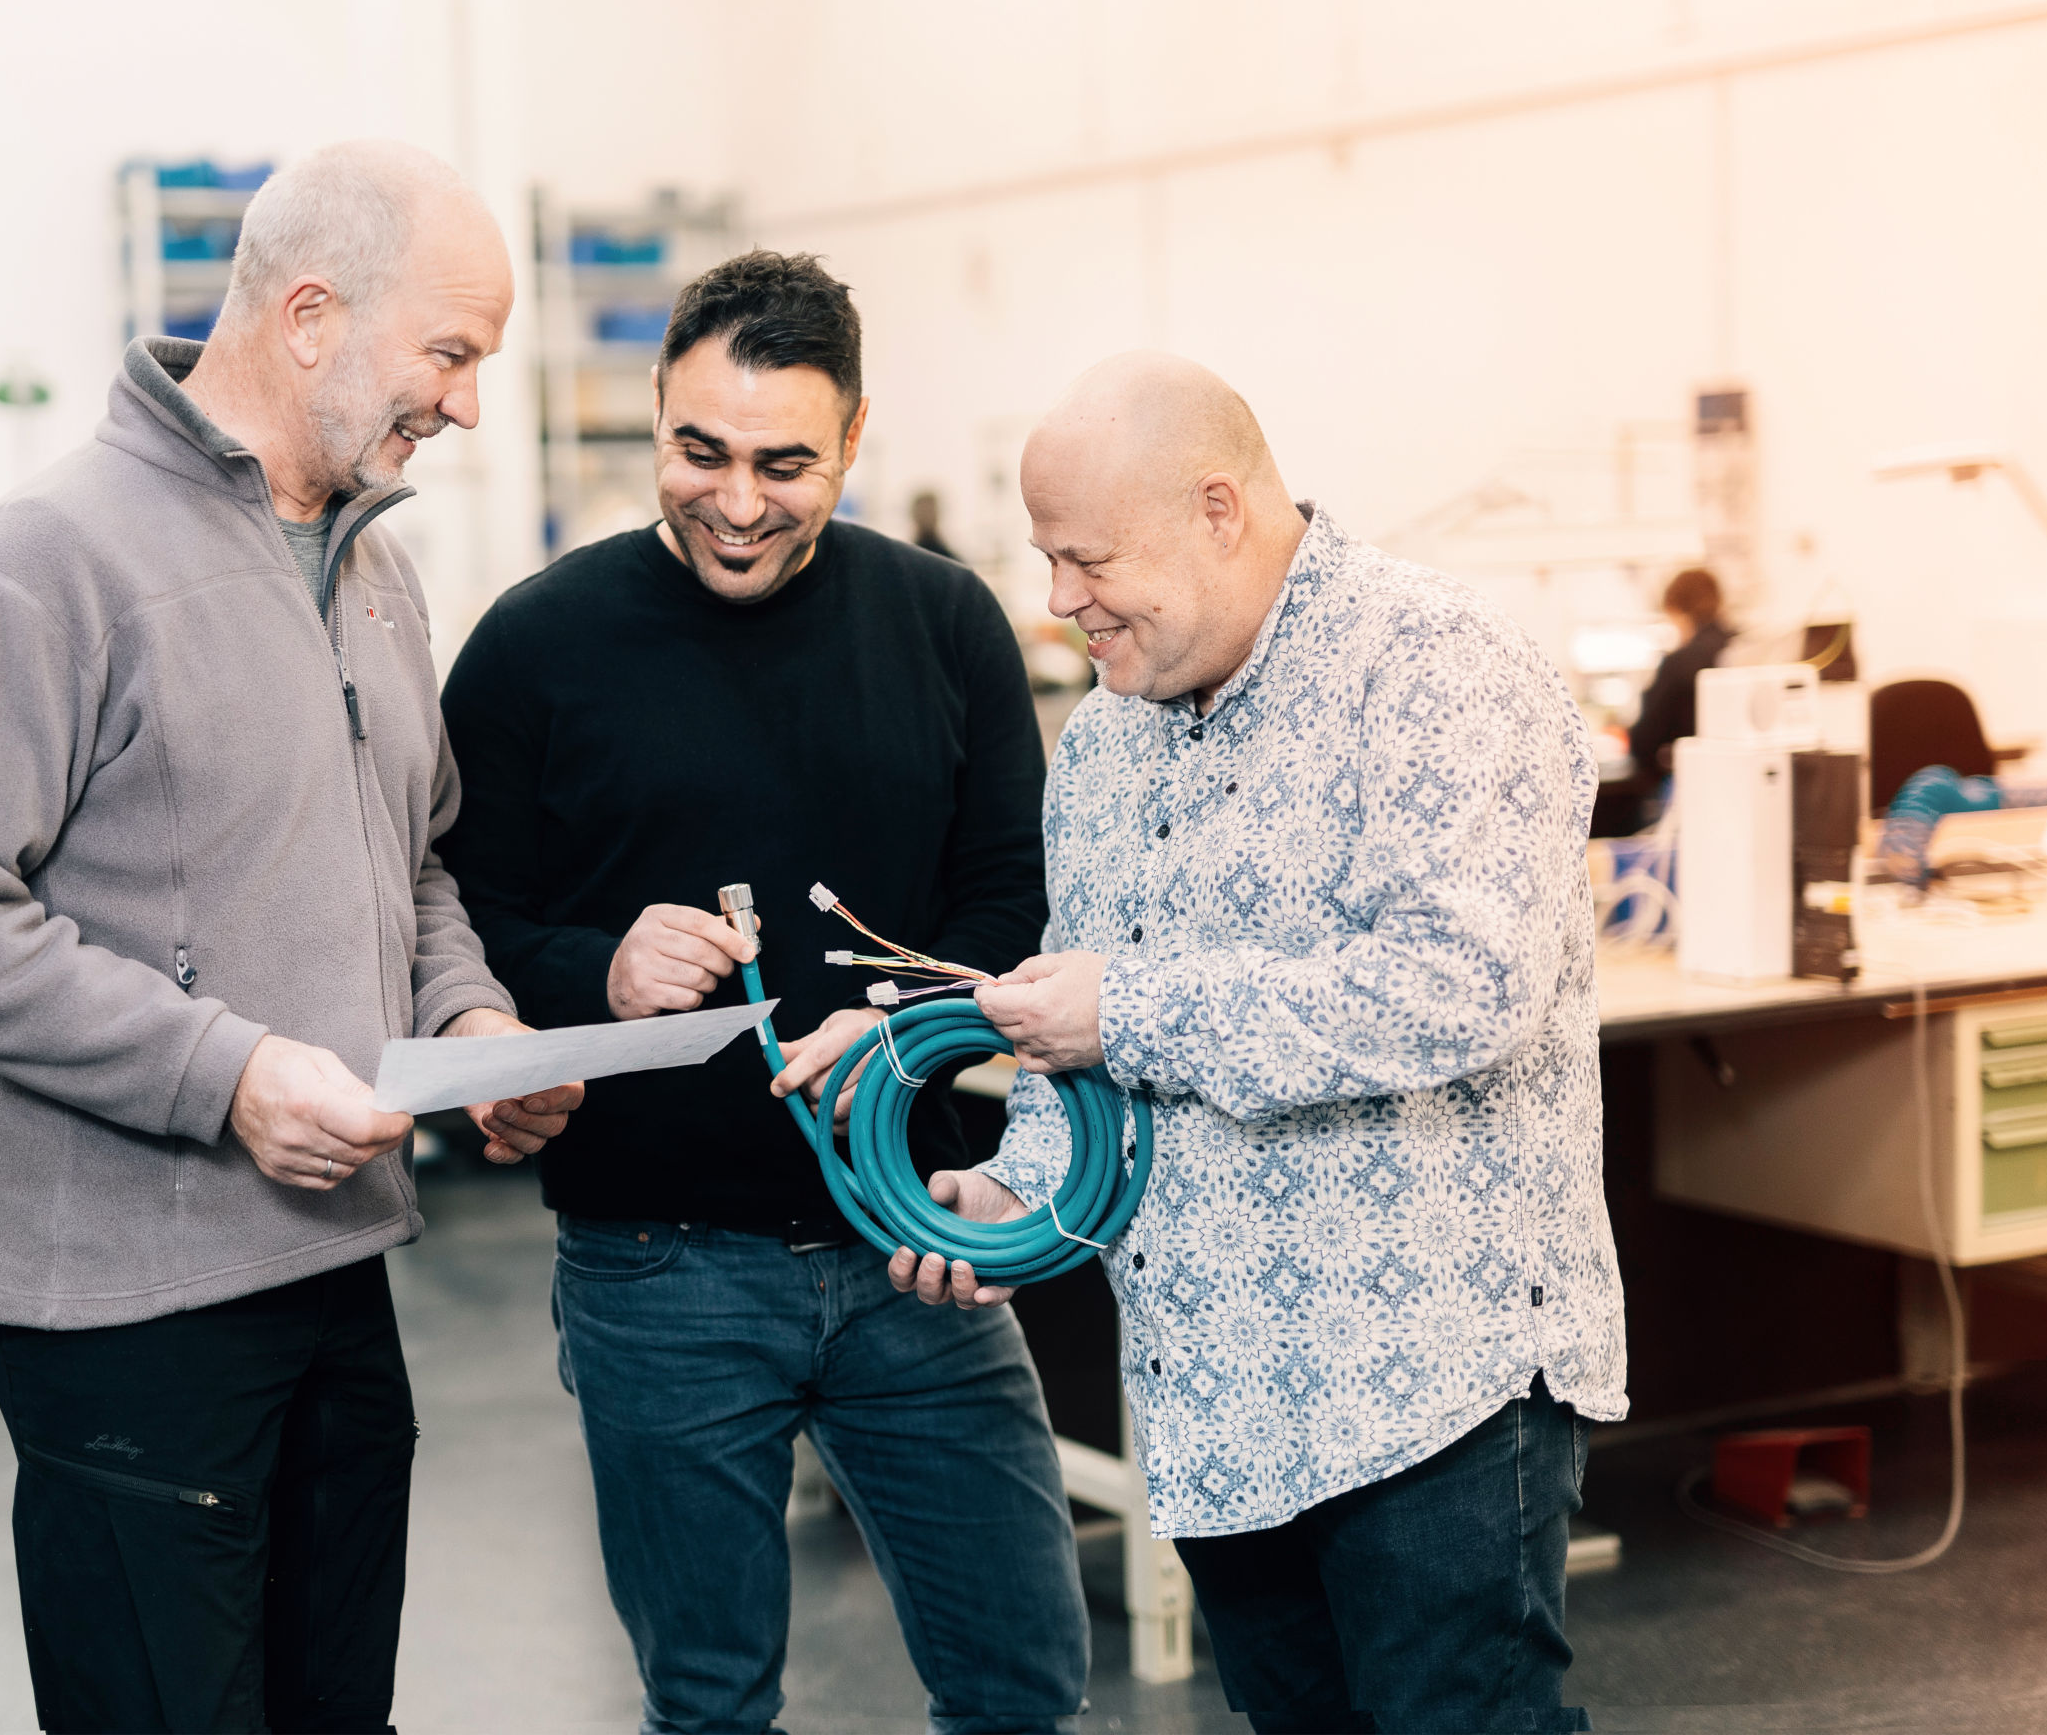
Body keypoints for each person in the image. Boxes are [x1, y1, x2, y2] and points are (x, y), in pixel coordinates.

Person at [0, 140, 581, 1735]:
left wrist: (468, 1026)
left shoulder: (376, 572)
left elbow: (419, 863)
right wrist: (226, 1074)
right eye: (448, 354)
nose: (463, 402)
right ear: (312, 315)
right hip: (123, 1311)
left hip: (336, 1264)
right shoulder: (39, 566)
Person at [895, 352, 1626, 1734]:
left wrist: (1130, 1005)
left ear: (1219, 510)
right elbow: (1081, 1032)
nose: (1058, 601)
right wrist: (1019, 1181)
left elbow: (1460, 984)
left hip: (1431, 1386)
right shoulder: (1106, 743)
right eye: (1045, 560)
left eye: (1088, 558)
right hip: (1218, 1396)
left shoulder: (1438, 670)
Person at [438, 251, 1088, 1735]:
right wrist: (589, 968)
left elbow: (1010, 897)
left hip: (917, 1242)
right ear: (657, 421)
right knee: (711, 1706)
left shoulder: (946, 627)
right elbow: (456, 920)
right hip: (657, 1271)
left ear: (856, 441)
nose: (737, 501)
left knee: (1024, 1686)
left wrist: (915, 1018)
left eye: (786, 463)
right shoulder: (537, 648)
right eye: (699, 452)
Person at [1623, 565, 1732, 789]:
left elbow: (1645, 739)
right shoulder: (1740, 648)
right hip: (1736, 776)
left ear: (1675, 610)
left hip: (1693, 781)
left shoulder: (1680, 662)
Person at [910, 485, 960, 558]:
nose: (927, 517)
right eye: (923, 511)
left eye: (930, 511)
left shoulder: (950, 559)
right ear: (914, 515)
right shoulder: (907, 557)